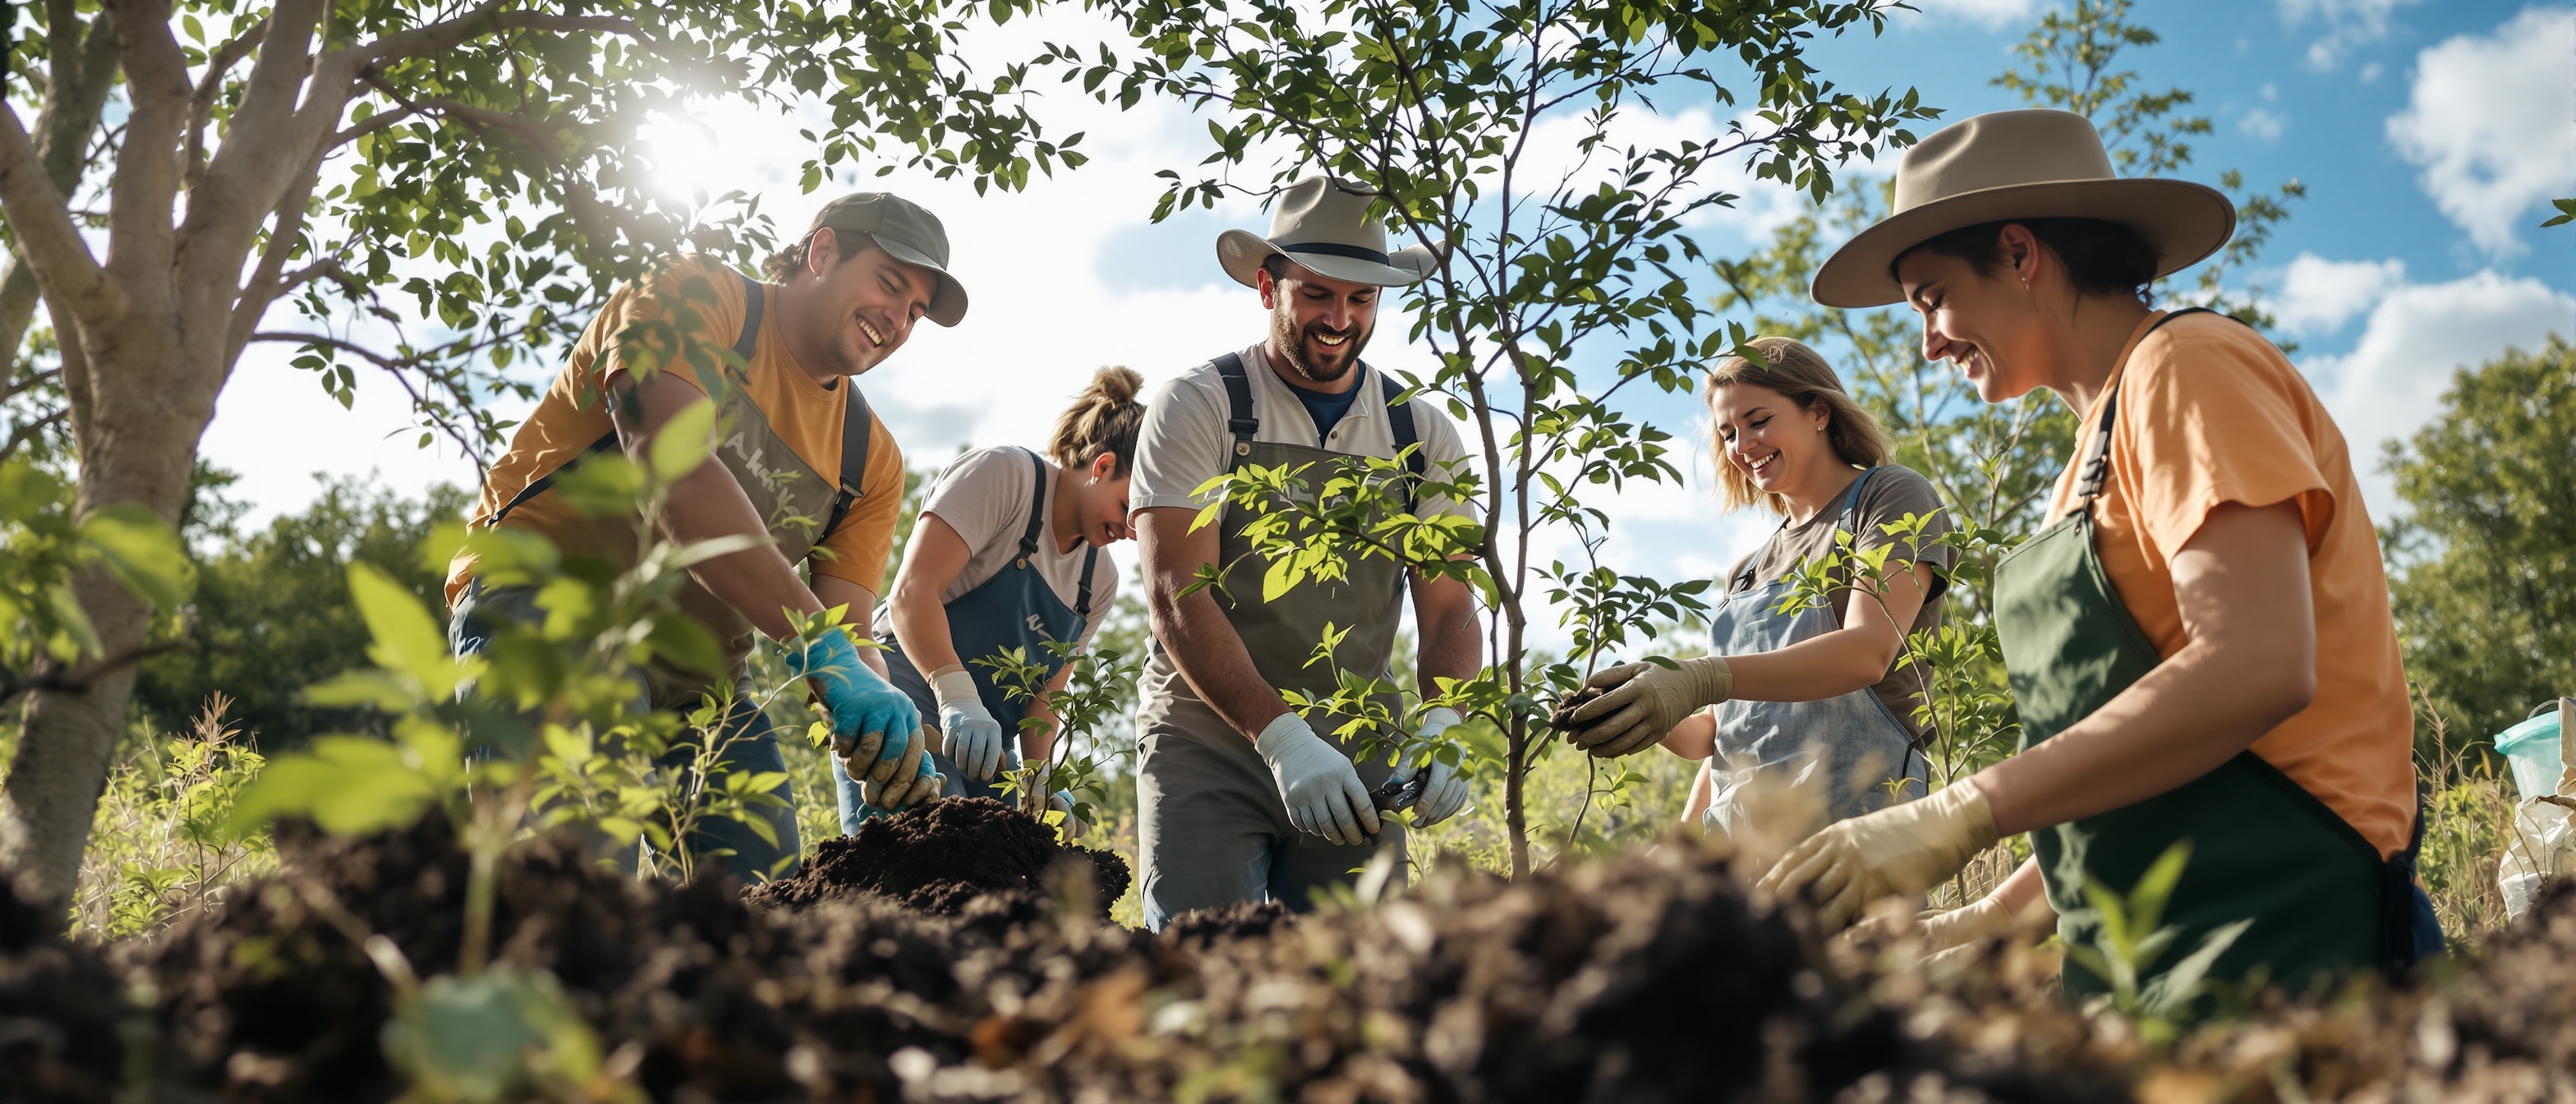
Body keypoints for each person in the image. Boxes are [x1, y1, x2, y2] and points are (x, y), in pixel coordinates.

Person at [1759, 108, 2440, 997]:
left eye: (1931, 299)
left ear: (2018, 253)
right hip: (2158, 953)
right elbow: (2145, 756)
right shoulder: (2088, 456)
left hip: (2294, 938)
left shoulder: (2188, 367)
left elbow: (2257, 665)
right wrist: (1986, 921)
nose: (1926, 342)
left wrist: (1964, 809)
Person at [444, 193, 958, 881]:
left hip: (700, 686)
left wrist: (882, 719)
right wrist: (825, 651)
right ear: (823, 251)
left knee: (763, 906)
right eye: (890, 285)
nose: (897, 320)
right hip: (550, 604)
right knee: (571, 881)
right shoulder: (689, 296)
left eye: (916, 312)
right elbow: (673, 470)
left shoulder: (871, 458)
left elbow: (847, 628)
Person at [1129, 176, 1481, 930]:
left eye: (1362, 300)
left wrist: (1444, 723)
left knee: (1357, 984)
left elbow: (1450, 607)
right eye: (1318, 295)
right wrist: (1283, 739)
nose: (1340, 319)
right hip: (1208, 741)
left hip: (1360, 747)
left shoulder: (1421, 434)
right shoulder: (1203, 403)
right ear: (1268, 285)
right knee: (1202, 967)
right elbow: (1174, 597)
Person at [1560, 338, 1952, 840]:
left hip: (1857, 834)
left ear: (1819, 412)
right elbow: (1722, 737)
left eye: (1759, 420)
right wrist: (1644, 704)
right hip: (1741, 853)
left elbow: (1867, 651)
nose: (1742, 447)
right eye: (1727, 433)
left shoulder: (1889, 494)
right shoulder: (1747, 571)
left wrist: (1699, 677)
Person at [839, 368, 1144, 835]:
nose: (1131, 530)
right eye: (1127, 507)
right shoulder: (1005, 477)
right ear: (1101, 467)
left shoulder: (1098, 579)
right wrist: (958, 698)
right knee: (918, 862)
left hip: (984, 745)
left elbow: (1048, 693)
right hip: (906, 703)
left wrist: (1038, 778)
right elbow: (910, 594)